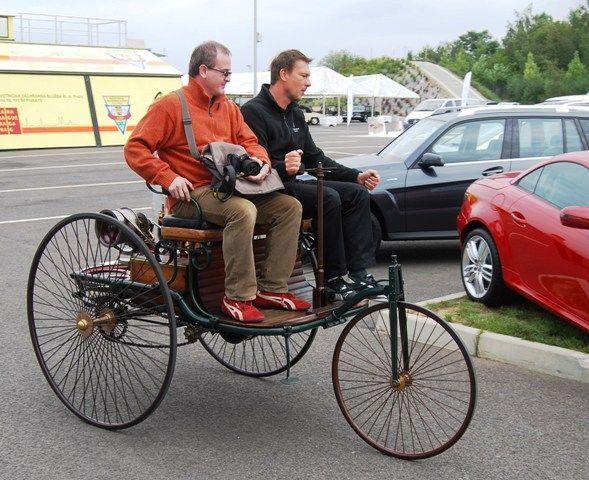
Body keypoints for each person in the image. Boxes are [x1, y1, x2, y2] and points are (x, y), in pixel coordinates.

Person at [124, 41, 310, 323]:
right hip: (191, 196)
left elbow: (251, 142)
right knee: (242, 211)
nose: (228, 78)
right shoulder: (170, 105)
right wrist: (168, 177)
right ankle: (237, 296)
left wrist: (261, 163)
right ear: (202, 70)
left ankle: (273, 288)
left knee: (289, 207)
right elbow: (135, 148)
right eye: (224, 73)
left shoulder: (229, 108)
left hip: (230, 189)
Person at [241, 49, 381, 301]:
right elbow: (252, 163)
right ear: (283, 74)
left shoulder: (295, 112)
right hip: (267, 191)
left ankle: (359, 275)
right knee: (327, 198)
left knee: (357, 194)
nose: (308, 82)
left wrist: (355, 176)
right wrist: (283, 166)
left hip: (292, 185)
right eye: (303, 75)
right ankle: (333, 280)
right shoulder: (253, 111)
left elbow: (315, 158)